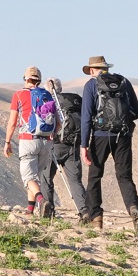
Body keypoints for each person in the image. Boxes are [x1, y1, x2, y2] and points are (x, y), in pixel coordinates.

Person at [79, 55, 138, 231]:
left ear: (92, 70)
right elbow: (137, 112)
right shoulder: (124, 82)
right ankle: (134, 209)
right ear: (106, 67)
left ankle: (96, 216)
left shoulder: (91, 85)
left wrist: (84, 144)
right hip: (123, 135)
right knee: (124, 177)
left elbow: (86, 117)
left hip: (100, 135)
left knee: (95, 176)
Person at [4, 67, 60, 217]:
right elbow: (58, 122)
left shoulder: (19, 95)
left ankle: (42, 201)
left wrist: (7, 141)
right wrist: (52, 135)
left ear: (26, 79)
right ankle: (30, 210)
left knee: (28, 177)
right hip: (46, 141)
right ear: (39, 81)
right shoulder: (47, 95)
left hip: (28, 139)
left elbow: (12, 122)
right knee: (36, 176)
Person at [42, 78, 87, 218]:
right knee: (75, 180)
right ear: (60, 88)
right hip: (73, 145)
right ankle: (84, 211)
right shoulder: (75, 101)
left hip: (53, 145)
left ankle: (48, 212)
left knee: (46, 179)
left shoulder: (47, 102)